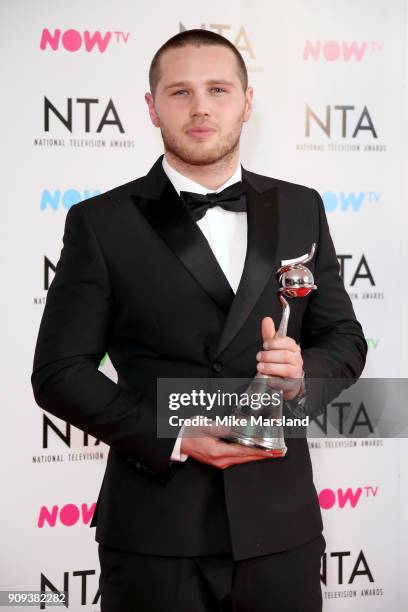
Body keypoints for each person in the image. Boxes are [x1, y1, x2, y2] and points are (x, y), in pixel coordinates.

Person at [31, 29, 367, 612]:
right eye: (180, 92)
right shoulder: (100, 222)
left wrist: (302, 372)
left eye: (218, 89)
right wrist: (175, 433)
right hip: (156, 529)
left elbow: (345, 340)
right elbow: (58, 371)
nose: (201, 107)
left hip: (279, 526)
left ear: (247, 101)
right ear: (152, 106)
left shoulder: (301, 207)